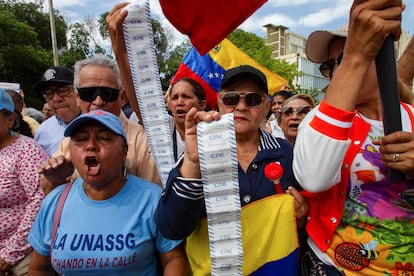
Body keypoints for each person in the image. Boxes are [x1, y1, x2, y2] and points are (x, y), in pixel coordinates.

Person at [293, 0, 414, 274]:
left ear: (383, 61)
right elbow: (314, 177)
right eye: (331, 66)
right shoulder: (318, 120)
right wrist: (354, 58)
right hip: (335, 266)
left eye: (343, 58)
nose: (337, 72)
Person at [155, 65, 308, 274]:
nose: (241, 106)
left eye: (253, 99)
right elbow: (172, 228)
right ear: (219, 103)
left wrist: (301, 220)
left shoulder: (287, 154)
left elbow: (314, 225)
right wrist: (192, 162)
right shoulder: (198, 153)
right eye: (232, 98)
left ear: (267, 107)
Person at [28, 109, 188, 275]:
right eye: (80, 140)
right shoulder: (55, 201)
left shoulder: (152, 199)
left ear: (124, 152)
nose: (90, 146)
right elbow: (39, 267)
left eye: (104, 139)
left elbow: (173, 259)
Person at [40, 54, 161, 194]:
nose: (98, 101)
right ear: (78, 98)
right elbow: (50, 194)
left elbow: (153, 199)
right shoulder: (67, 143)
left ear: (121, 98)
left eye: (107, 93)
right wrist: (56, 180)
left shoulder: (143, 141)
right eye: (88, 93)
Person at [0, 88, 48, 276]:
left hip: (23, 254)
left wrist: (10, 254)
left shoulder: (26, 150)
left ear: (10, 120)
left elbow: (40, 202)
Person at [33, 66, 81, 156]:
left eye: (63, 91)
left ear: (77, 92)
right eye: (49, 93)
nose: (56, 99)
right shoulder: (42, 132)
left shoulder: (96, 122)